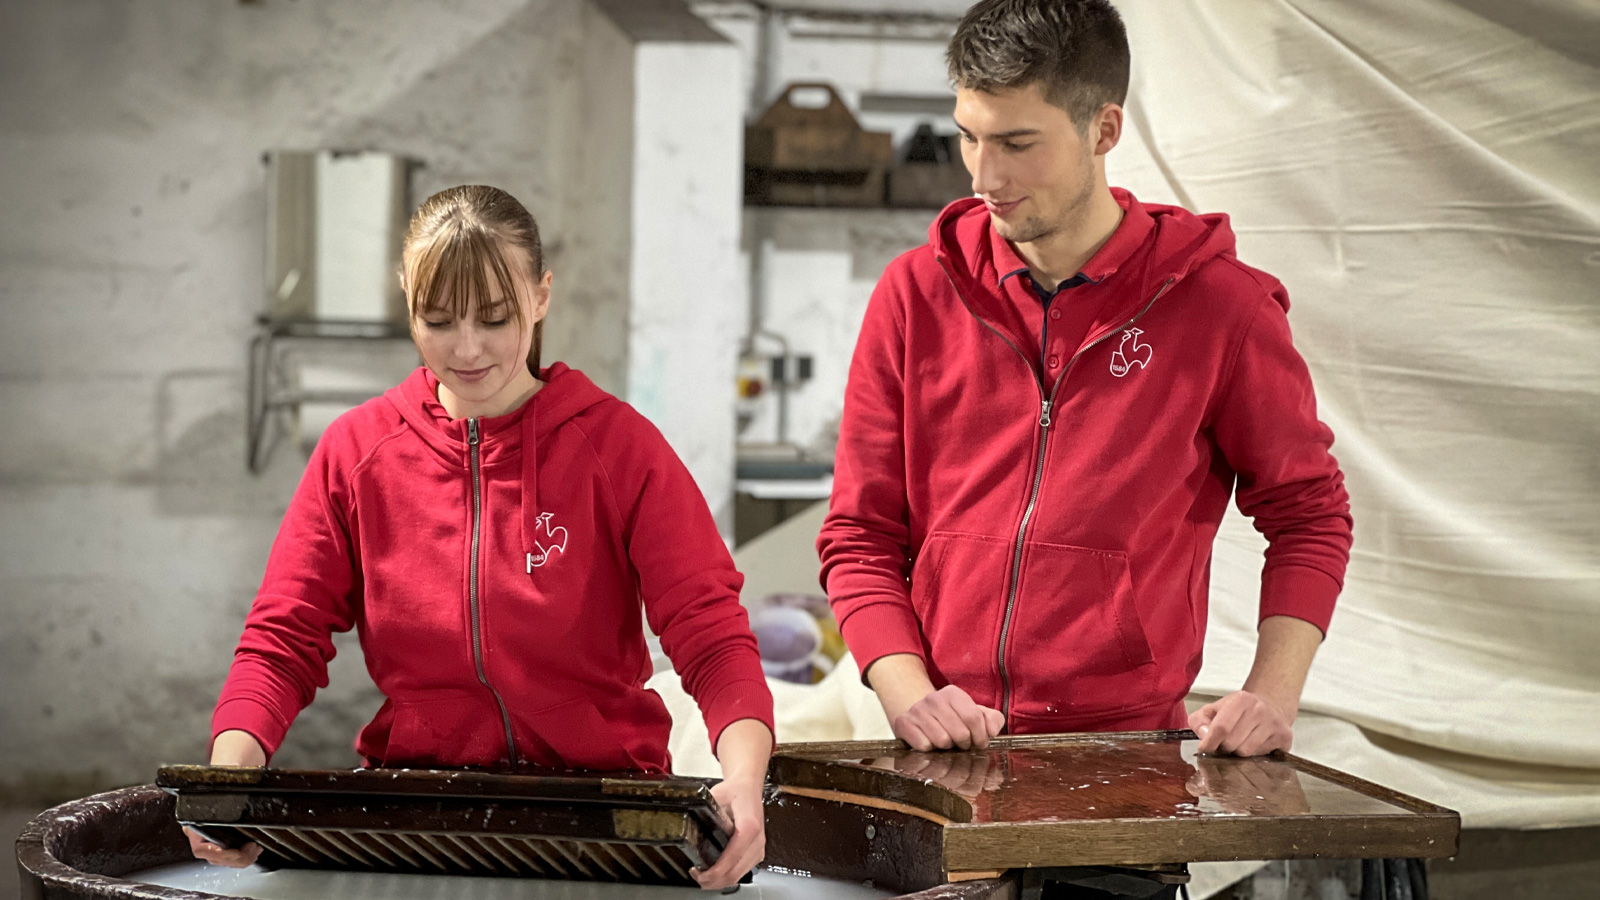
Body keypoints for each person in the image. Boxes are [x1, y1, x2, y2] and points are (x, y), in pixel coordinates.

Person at [188, 185, 774, 890]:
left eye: (494, 319)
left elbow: (710, 634)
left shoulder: (620, 449)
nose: (466, 350)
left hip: (606, 820)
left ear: (541, 296)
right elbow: (284, 636)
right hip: (419, 817)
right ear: (405, 299)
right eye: (437, 320)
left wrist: (743, 779)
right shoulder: (356, 453)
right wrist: (230, 779)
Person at [818, 0, 1352, 761]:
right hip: (937, 750)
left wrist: (1273, 693)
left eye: (1017, 143)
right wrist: (909, 695)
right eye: (969, 137)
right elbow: (860, 535)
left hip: (1126, 761)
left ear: (1104, 131)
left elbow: (1309, 514)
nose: (985, 176)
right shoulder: (914, 294)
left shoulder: (1222, 310)